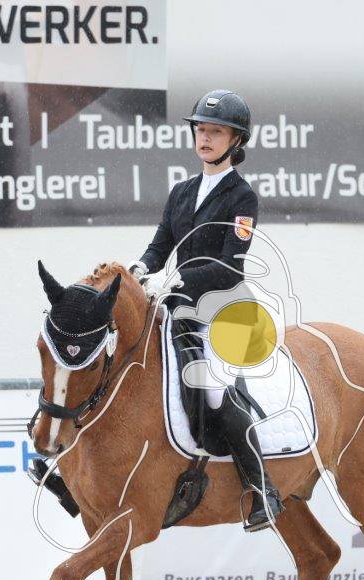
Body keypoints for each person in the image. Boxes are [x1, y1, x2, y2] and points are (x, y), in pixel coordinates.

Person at [127, 89, 284, 532]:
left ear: (236, 141)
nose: (205, 138)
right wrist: (140, 270)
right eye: (201, 129)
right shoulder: (181, 192)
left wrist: (177, 279)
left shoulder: (242, 197)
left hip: (224, 312)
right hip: (178, 308)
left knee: (213, 390)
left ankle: (263, 490)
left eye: (216, 132)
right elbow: (160, 245)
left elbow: (230, 264)